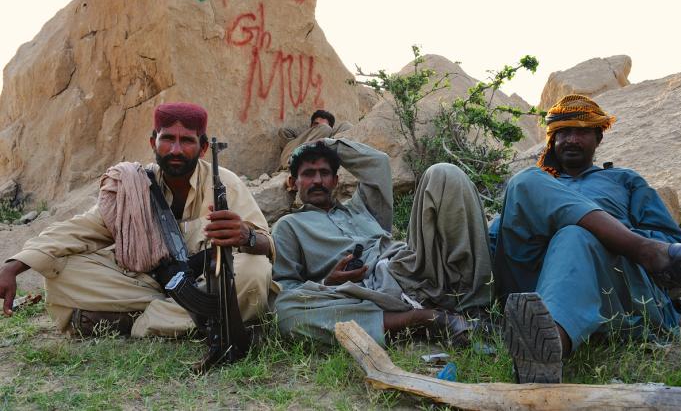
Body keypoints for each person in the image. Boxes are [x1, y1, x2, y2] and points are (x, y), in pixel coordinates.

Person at [0, 102, 276, 337]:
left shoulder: (223, 182)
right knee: (61, 273)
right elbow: (81, 230)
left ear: (203, 148)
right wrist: (14, 266)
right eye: (167, 139)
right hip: (147, 284)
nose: (176, 150)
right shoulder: (135, 186)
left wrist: (246, 236)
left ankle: (133, 322)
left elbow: (267, 246)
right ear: (152, 142)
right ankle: (179, 317)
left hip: (205, 284)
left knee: (254, 272)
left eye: (187, 141)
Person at [493, 94, 681, 383]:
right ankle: (541, 335)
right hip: (534, 286)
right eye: (564, 132)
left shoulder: (624, 180)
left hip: (612, 286)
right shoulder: (539, 185)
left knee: (574, 235)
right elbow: (503, 241)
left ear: (598, 138)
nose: (572, 139)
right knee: (526, 182)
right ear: (552, 138)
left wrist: (605, 234)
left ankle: (549, 344)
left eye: (582, 131)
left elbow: (672, 248)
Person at [272, 138, 493, 346]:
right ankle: (424, 319)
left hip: (409, 266)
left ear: (336, 181)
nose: (318, 181)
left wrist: (324, 144)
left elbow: (378, 163)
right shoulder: (288, 225)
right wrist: (328, 282)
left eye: (324, 173)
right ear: (293, 182)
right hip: (364, 295)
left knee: (444, 173)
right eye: (308, 174)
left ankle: (476, 311)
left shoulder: (362, 206)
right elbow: (287, 288)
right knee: (285, 311)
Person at [277, 110, 353, 169]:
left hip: (326, 152)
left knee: (347, 125)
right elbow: (284, 132)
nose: (319, 128)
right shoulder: (304, 136)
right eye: (316, 125)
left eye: (321, 126)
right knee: (325, 129)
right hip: (294, 158)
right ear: (310, 126)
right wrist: (305, 136)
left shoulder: (329, 132)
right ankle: (297, 158)